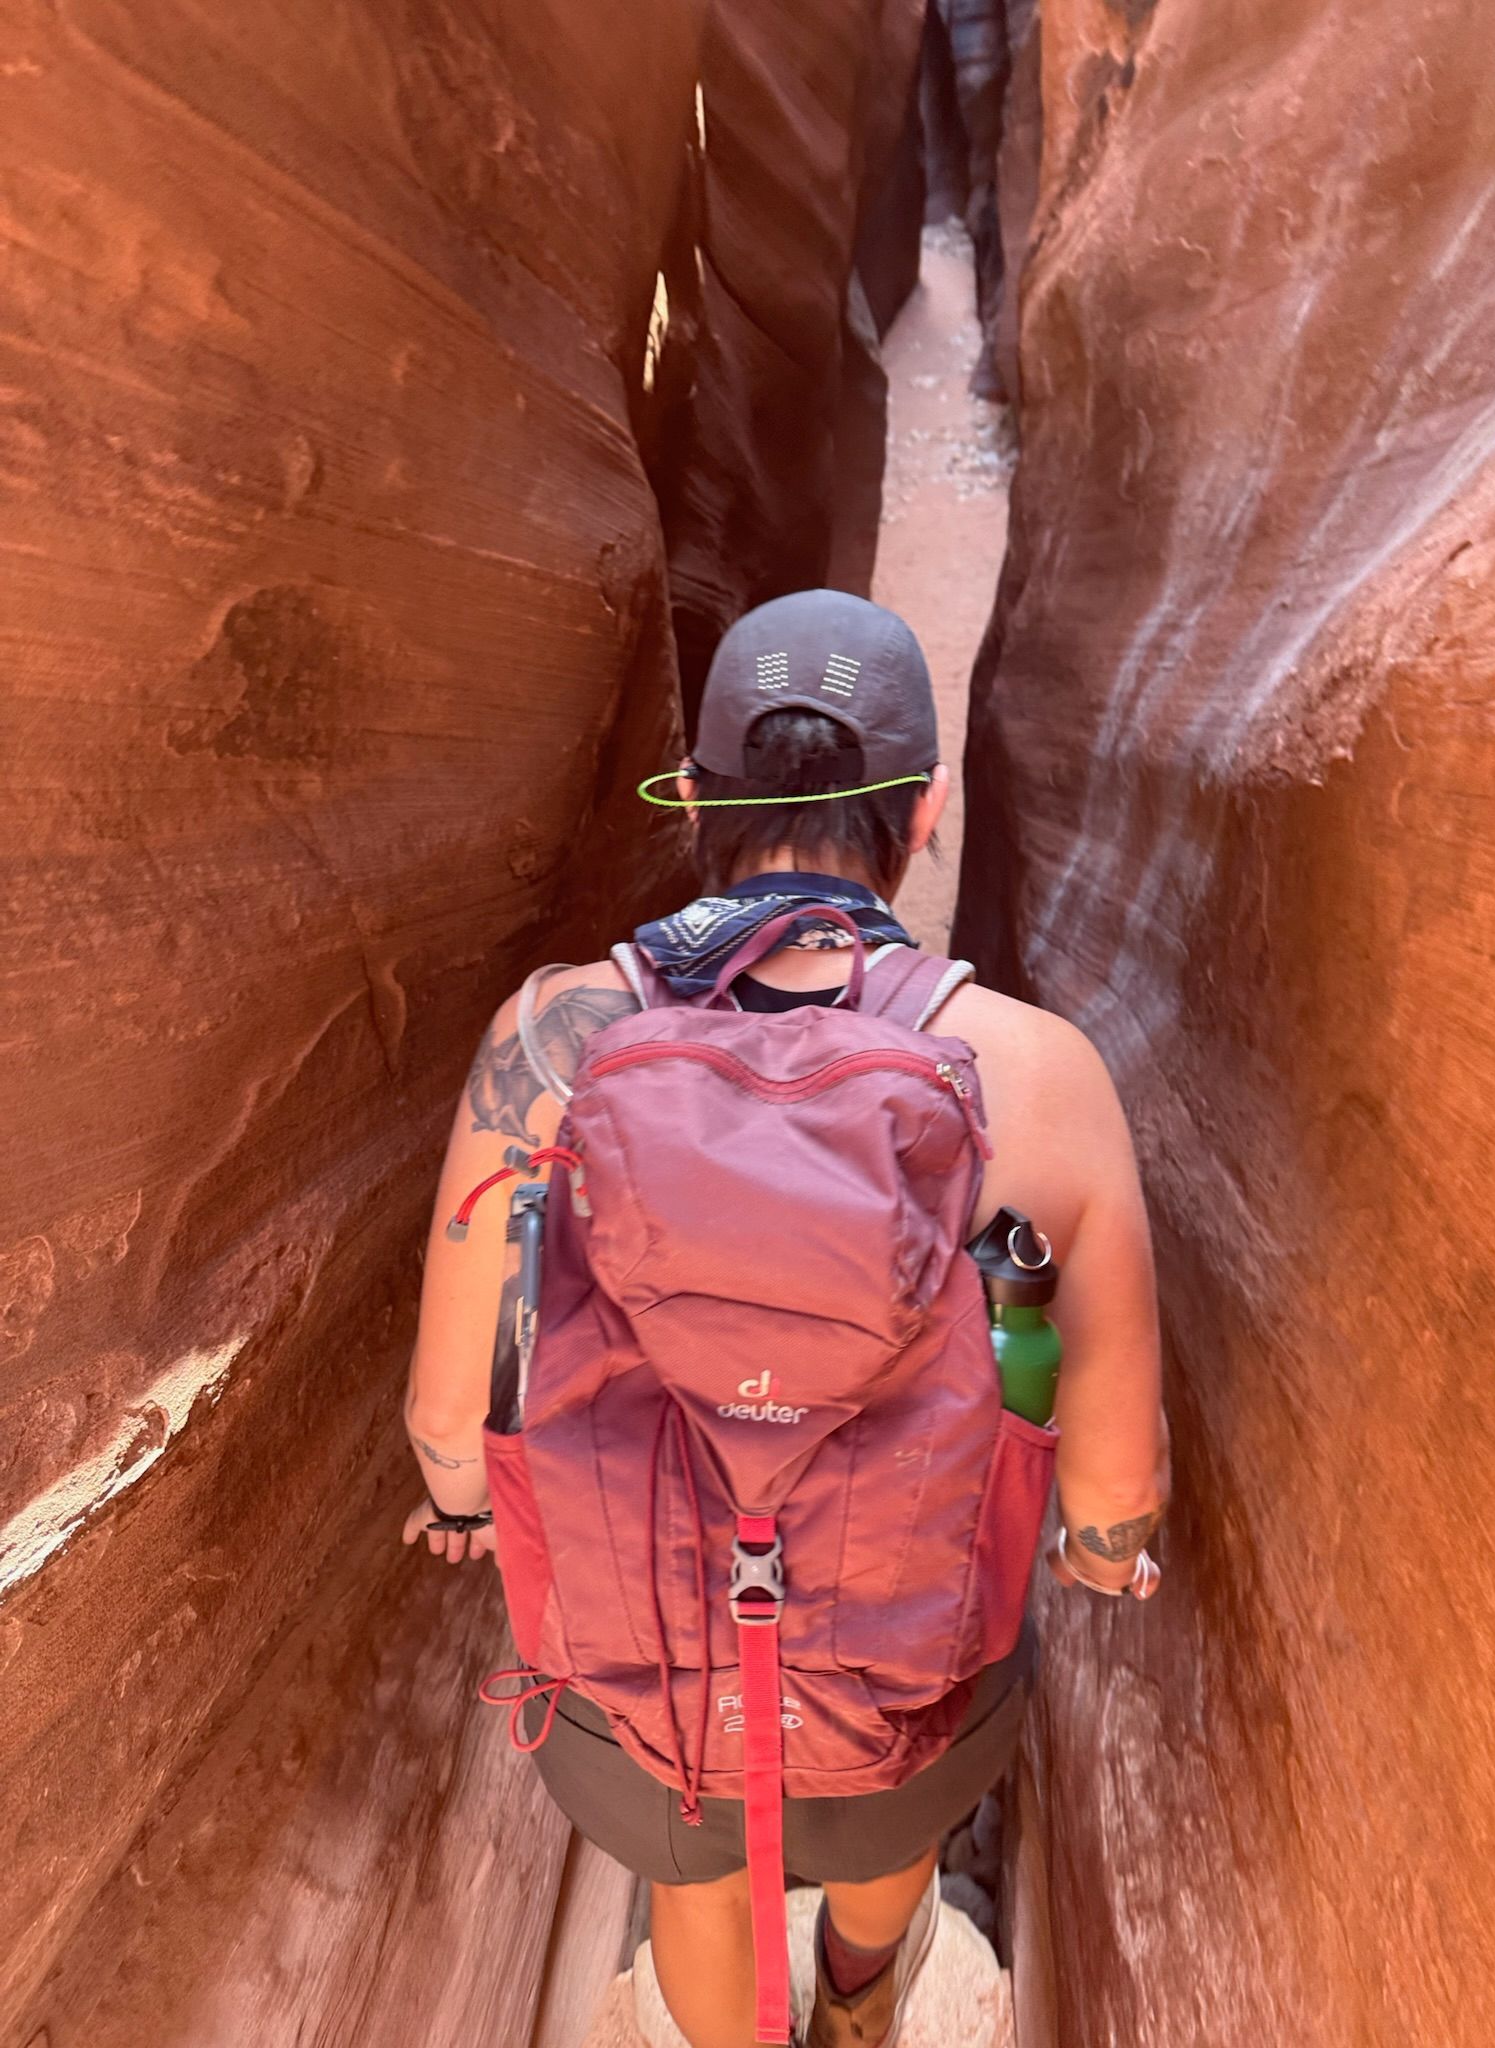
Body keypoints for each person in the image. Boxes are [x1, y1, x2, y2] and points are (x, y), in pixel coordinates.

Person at [402, 590, 1168, 2048]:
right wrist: (1098, 1553)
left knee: (690, 1856)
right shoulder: (1040, 1077)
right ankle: (857, 2008)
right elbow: (1116, 1483)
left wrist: (462, 1504)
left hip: (640, 1691)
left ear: (693, 800)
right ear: (926, 813)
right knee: (893, 1821)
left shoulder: (550, 1043)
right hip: (907, 1686)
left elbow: (452, 1417)